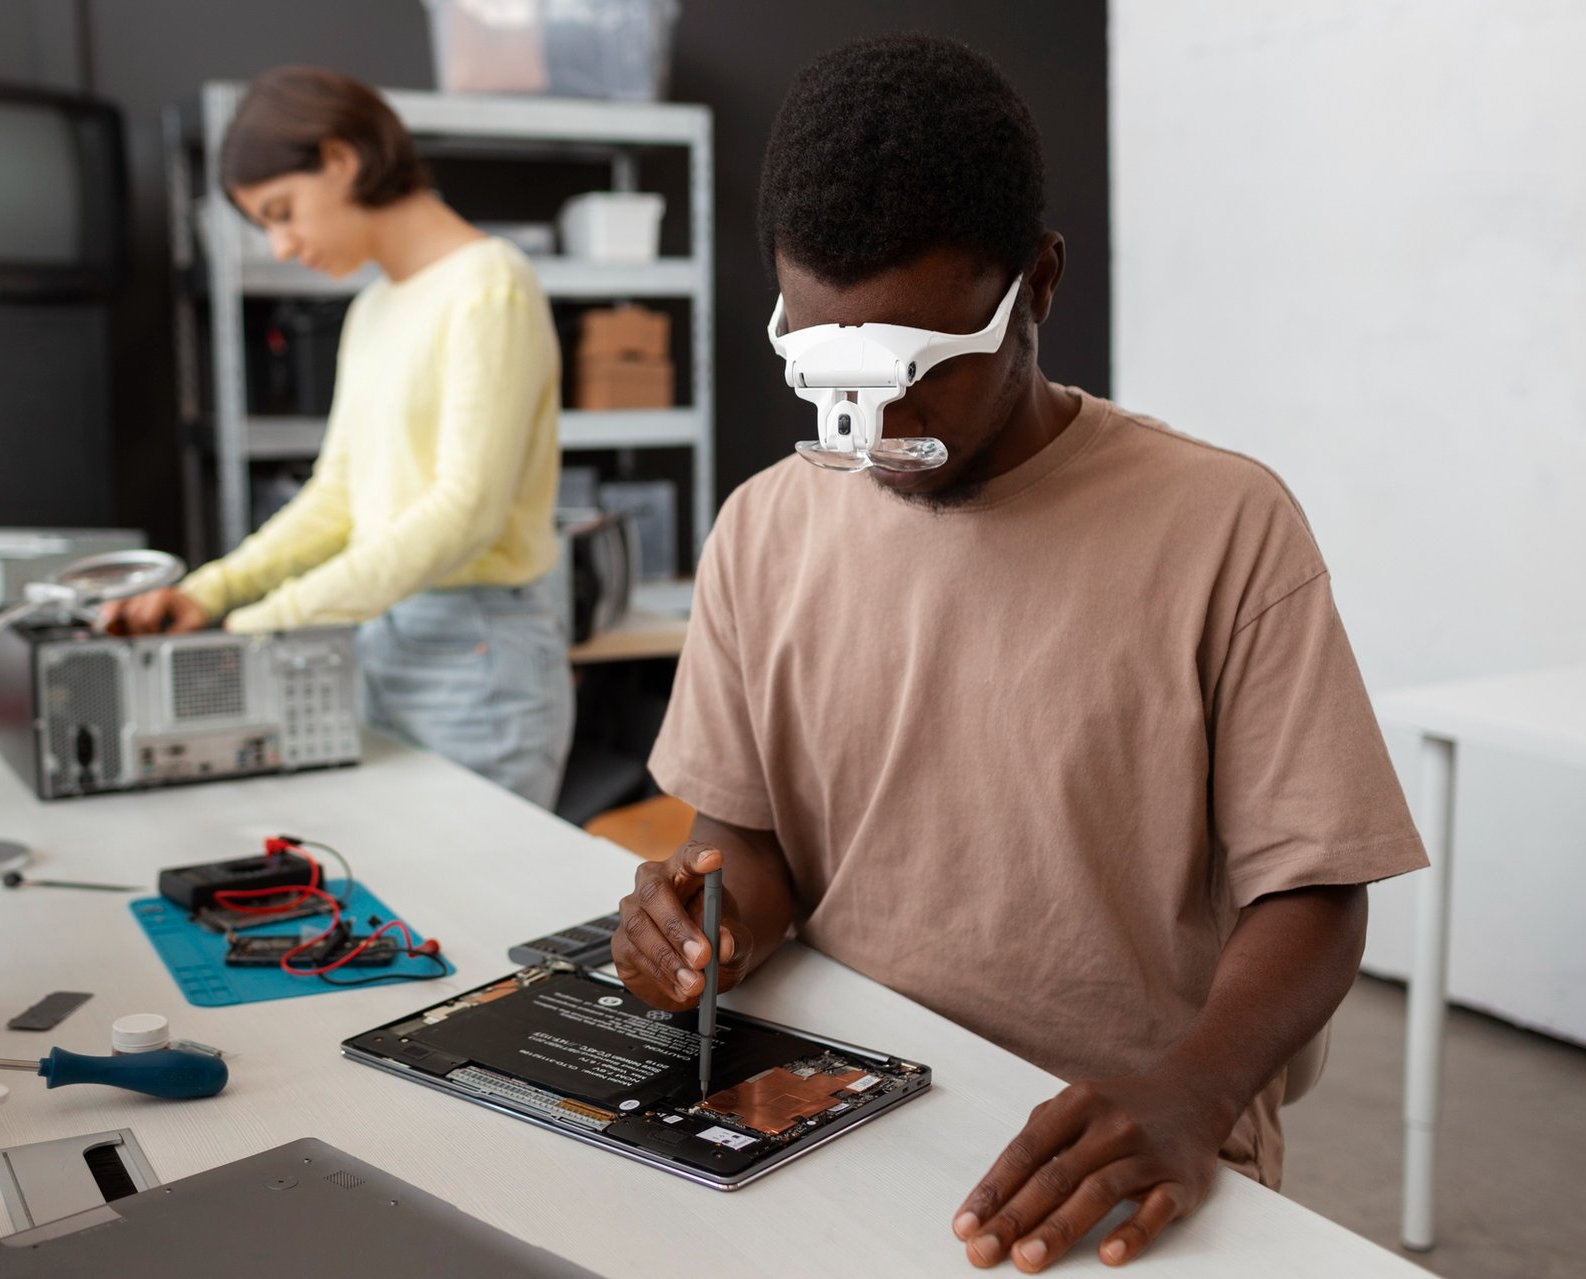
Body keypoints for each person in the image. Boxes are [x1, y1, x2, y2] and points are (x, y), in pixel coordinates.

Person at [610, 34, 1427, 1272]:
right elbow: (758, 844)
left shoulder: (1222, 526)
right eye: (827, 372)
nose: (874, 427)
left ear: (1037, 287)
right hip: (845, 1088)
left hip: (1124, 1126)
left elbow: (1313, 891)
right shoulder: (768, 524)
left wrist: (1195, 1091)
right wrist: (704, 921)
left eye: (916, 373)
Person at [107, 67, 572, 808]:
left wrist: (267, 621)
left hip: (475, 652)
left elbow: (466, 510)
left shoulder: (490, 283)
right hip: (376, 635)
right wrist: (210, 592)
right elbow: (339, 496)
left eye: (282, 211)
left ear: (341, 159)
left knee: (477, 907)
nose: (282, 245)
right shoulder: (374, 309)